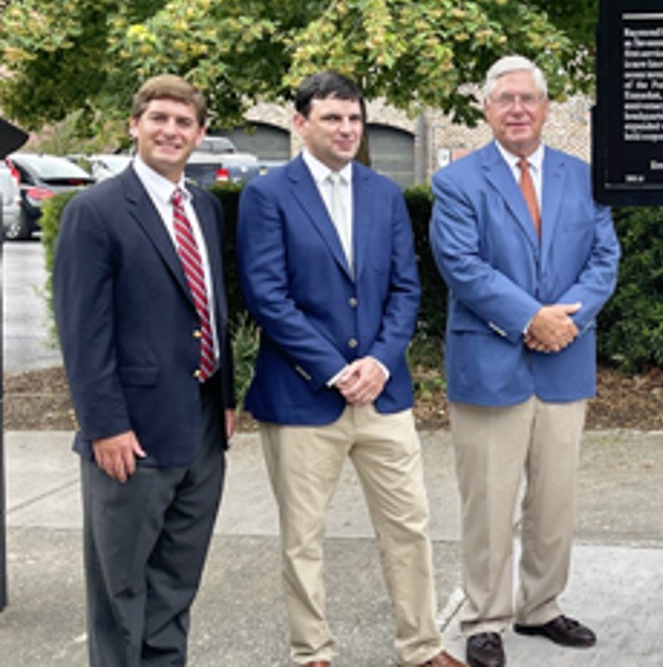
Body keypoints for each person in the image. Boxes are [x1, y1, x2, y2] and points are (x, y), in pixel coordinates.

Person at [236, 72, 462, 667]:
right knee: (303, 539)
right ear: (300, 123)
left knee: (409, 527)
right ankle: (312, 652)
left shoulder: (384, 192)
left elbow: (406, 289)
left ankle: (422, 647)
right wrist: (337, 370)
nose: (345, 129)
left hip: (383, 397)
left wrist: (380, 362)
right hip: (305, 397)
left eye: (354, 119)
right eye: (332, 118)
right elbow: (267, 296)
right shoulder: (268, 195)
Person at [430, 55, 620, 667]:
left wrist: (566, 320)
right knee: (488, 500)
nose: (517, 109)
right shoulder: (458, 183)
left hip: (564, 360)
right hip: (490, 364)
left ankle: (542, 607)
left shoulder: (584, 178)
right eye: (504, 99)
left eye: (528, 99)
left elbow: (604, 261)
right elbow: (462, 266)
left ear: (545, 108)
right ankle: (485, 618)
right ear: (487, 109)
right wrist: (528, 318)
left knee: (554, 499)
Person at [53, 74, 236, 666]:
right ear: (135, 125)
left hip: (202, 432)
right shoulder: (95, 212)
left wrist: (226, 397)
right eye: (158, 118)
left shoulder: (204, 208)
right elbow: (85, 333)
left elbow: (211, 307)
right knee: (120, 592)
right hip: (130, 437)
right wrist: (104, 425)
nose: (170, 130)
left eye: (184, 122)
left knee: (174, 587)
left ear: (200, 134)